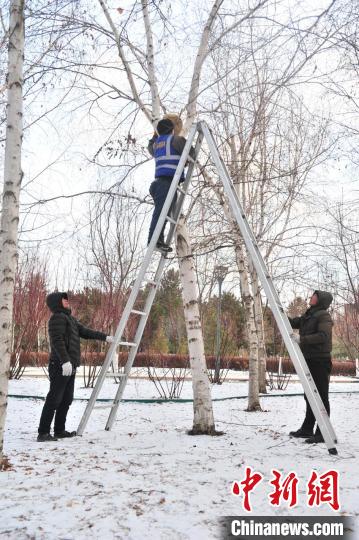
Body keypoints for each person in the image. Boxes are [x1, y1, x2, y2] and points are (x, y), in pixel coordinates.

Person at [37, 292, 114, 442]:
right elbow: (57, 341)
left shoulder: (70, 319)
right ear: (57, 302)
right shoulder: (56, 318)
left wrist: (104, 337)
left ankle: (59, 430)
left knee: (66, 399)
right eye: (63, 299)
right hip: (60, 365)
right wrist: (64, 361)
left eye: (66, 298)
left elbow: (85, 331)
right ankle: (43, 433)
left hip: (70, 366)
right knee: (54, 399)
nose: (66, 301)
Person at [288, 290, 334, 444]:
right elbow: (294, 323)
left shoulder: (323, 316)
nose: (311, 297)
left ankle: (322, 433)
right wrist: (280, 315)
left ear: (320, 300)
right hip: (308, 359)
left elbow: (323, 336)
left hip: (320, 361)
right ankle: (307, 428)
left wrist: (302, 339)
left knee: (320, 396)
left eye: (315, 296)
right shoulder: (309, 315)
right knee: (309, 396)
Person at [147, 117, 195, 253]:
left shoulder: (156, 144)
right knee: (161, 213)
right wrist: (185, 160)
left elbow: (150, 148)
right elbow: (191, 153)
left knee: (164, 212)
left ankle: (158, 240)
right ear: (173, 130)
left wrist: (155, 135)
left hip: (161, 183)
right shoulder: (176, 140)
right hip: (166, 183)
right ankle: (154, 240)